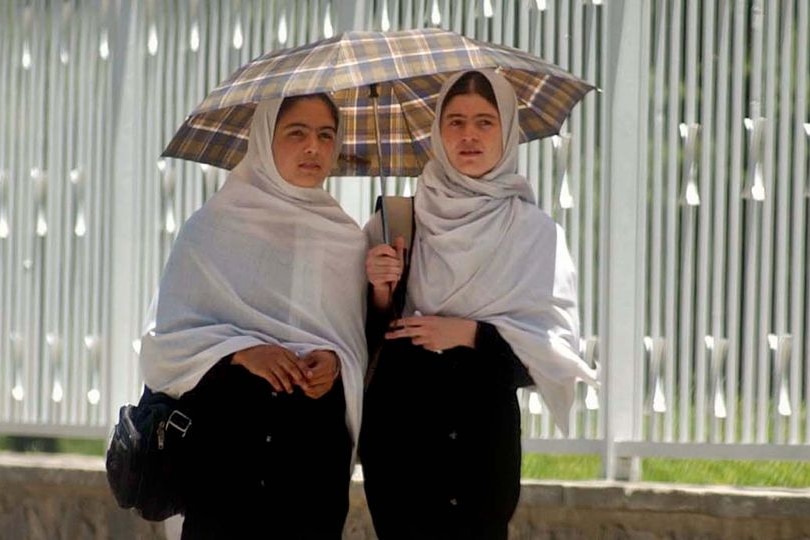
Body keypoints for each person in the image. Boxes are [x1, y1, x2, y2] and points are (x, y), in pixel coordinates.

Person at [359, 70, 598, 540]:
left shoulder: (534, 235)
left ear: (508, 132)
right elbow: (360, 339)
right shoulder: (399, 219)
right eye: (455, 121)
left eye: (485, 122)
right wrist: (380, 288)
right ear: (437, 131)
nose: (469, 135)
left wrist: (471, 334)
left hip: (481, 442)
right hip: (401, 438)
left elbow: (550, 355)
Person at [139, 94, 368, 539]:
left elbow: (355, 347)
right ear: (264, 139)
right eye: (296, 133)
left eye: (326, 136)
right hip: (226, 460)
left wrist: (337, 363)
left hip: (311, 466)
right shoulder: (210, 230)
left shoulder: (346, 239)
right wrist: (241, 353)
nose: (313, 148)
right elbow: (163, 347)